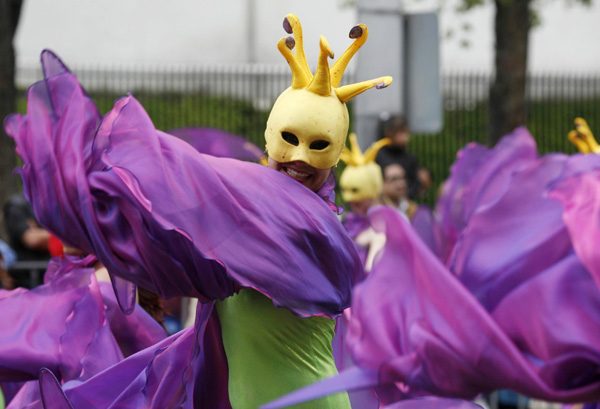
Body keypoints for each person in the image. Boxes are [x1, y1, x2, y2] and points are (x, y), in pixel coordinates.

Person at [5, 14, 392, 409]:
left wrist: (108, 172)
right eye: (288, 140)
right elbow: (186, 233)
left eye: (318, 147)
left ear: (334, 162)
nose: (298, 157)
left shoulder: (313, 227)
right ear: (270, 139)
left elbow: (193, 178)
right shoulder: (249, 215)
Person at [375, 113, 431, 200]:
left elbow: (416, 184)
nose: (406, 137)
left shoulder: (411, 159)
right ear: (389, 133)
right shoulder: (379, 156)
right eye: (401, 132)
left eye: (406, 132)